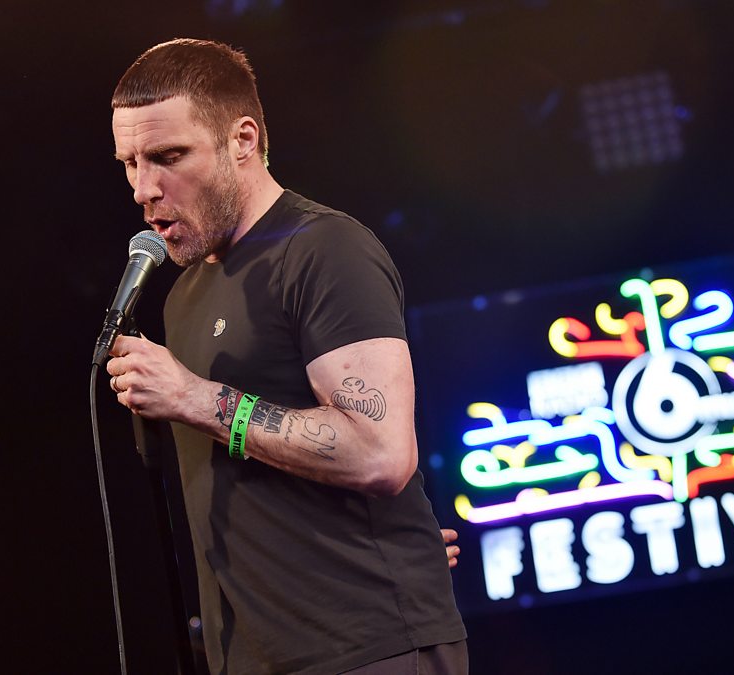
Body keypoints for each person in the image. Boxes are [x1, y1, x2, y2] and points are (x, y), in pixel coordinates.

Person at [104, 39, 467, 674]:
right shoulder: (184, 294)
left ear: (242, 140)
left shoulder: (323, 249)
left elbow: (380, 453)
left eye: (168, 156)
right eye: (130, 163)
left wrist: (193, 397)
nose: (144, 188)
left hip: (365, 649)